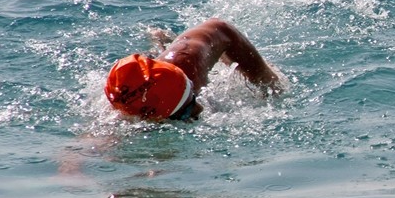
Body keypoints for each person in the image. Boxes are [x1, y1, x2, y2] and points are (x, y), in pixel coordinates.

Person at [104, 18, 283, 121]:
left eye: (192, 97)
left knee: (273, 86)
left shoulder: (189, 63)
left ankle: (162, 39)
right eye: (186, 111)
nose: (199, 109)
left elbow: (220, 28)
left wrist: (261, 75)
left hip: (181, 59)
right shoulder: (125, 116)